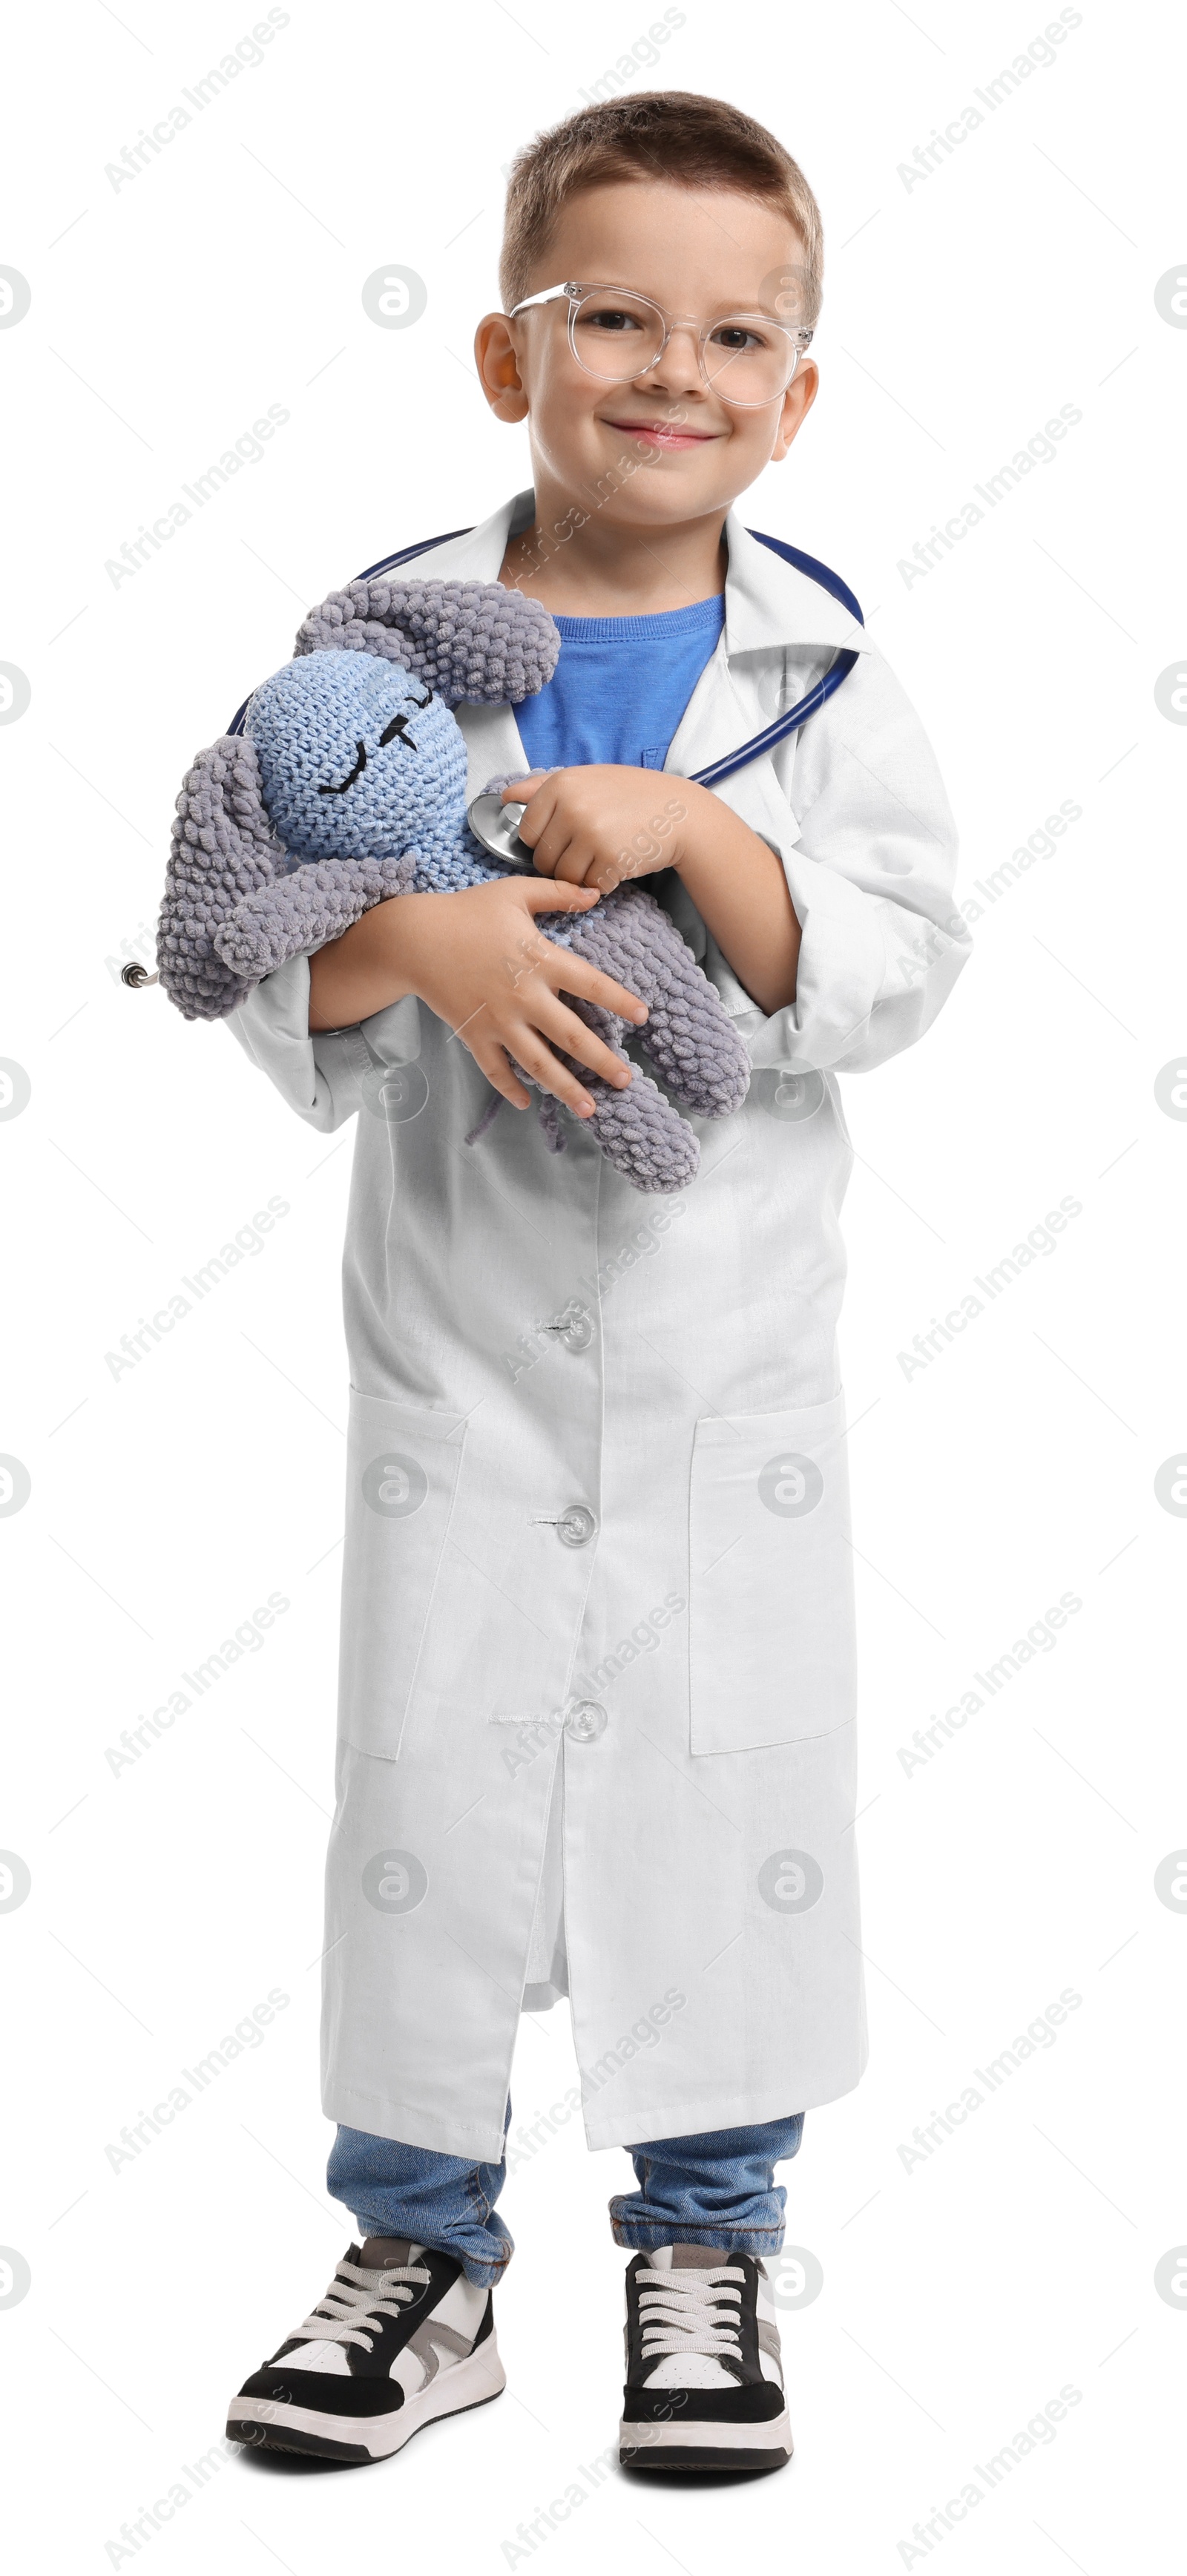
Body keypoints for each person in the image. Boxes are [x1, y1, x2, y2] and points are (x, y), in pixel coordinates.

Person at [221, 91, 968, 2477]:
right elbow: (234, 939)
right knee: (424, 1811)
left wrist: (709, 834)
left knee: (724, 1814)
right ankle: (421, 2257)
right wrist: (409, 941)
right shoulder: (375, 657)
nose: (674, 366)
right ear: (500, 358)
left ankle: (708, 2248)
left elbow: (899, 970)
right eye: (612, 314)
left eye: (737, 330)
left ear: (802, 387)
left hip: (727, 1390)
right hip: (455, 1376)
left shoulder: (824, 669)